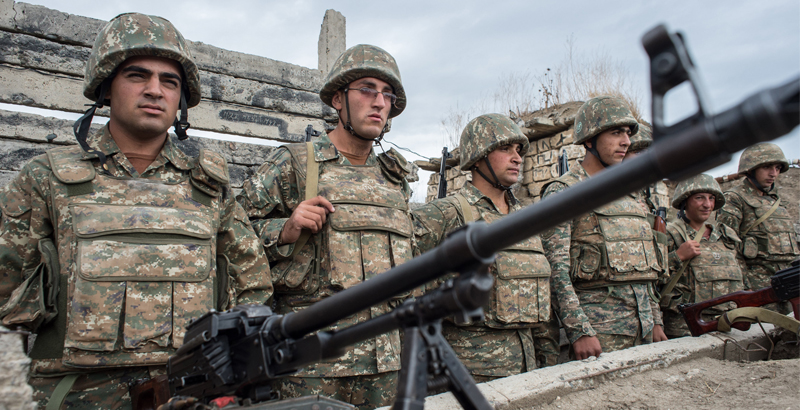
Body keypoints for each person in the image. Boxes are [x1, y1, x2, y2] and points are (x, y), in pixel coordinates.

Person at [0, 13, 272, 410]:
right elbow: (7, 289)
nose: (154, 91)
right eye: (137, 76)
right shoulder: (46, 178)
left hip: (187, 394)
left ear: (181, 99)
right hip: (75, 395)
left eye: (170, 81)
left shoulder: (208, 184)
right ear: (107, 87)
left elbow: (252, 285)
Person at [237, 44, 413, 409]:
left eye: (387, 94)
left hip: (386, 364)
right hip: (311, 367)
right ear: (338, 99)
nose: (379, 102)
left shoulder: (394, 181)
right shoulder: (295, 164)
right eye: (367, 89)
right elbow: (232, 239)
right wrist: (284, 230)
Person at [412, 114, 559, 382]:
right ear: (478, 157)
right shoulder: (445, 214)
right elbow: (405, 290)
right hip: (469, 373)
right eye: (505, 149)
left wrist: (548, 362)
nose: (517, 158)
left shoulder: (527, 219)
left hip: (529, 369)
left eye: (518, 151)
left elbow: (542, 301)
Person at [540, 96, 668, 361]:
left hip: (644, 329)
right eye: (616, 132)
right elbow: (555, 270)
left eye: (628, 134)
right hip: (601, 334)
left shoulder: (631, 197)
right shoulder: (565, 192)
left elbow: (645, 270)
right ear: (589, 139)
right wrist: (580, 330)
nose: (626, 142)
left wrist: (656, 320)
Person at [716, 143, 798, 313]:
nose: (773, 173)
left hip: (789, 283)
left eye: (777, 168)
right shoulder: (734, 199)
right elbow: (728, 249)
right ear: (751, 168)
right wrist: (745, 289)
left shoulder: (777, 201)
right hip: (759, 288)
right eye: (767, 167)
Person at [661, 174, 744, 337]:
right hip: (685, 328)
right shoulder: (671, 234)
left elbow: (741, 276)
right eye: (699, 198)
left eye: (711, 198)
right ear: (685, 201)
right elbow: (652, 278)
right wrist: (677, 256)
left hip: (727, 323)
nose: (707, 205)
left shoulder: (725, 235)